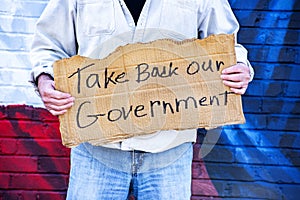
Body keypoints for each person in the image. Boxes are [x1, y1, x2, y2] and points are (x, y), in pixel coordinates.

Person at [30, 0, 254, 199]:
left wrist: (240, 67)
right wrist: (44, 78)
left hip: (170, 150)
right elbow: (49, 46)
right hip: (95, 149)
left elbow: (227, 45)